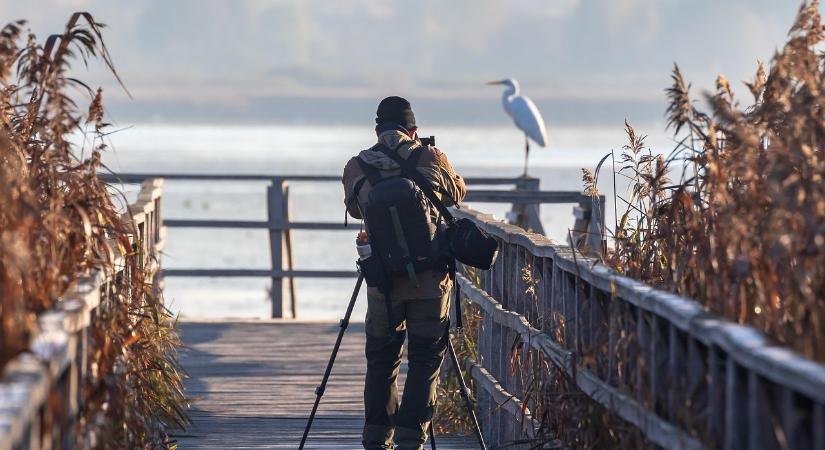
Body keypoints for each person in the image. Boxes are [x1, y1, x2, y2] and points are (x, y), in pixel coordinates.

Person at [342, 96, 466, 450]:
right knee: (426, 358)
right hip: (430, 280)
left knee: (382, 358)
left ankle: (377, 438)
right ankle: (412, 440)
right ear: (413, 130)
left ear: (377, 130)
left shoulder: (357, 165)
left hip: (383, 281)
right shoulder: (430, 158)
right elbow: (457, 192)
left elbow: (354, 208)